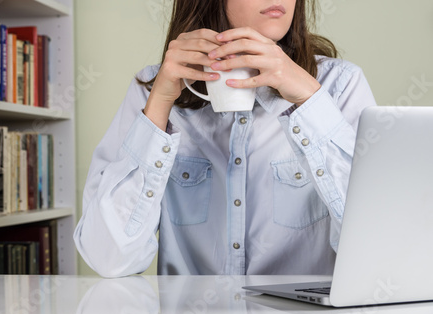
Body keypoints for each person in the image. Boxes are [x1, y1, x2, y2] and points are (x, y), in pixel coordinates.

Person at [74, 0, 376, 277]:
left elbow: (377, 246)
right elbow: (109, 259)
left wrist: (310, 103)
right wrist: (159, 107)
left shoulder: (339, 86)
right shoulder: (155, 89)